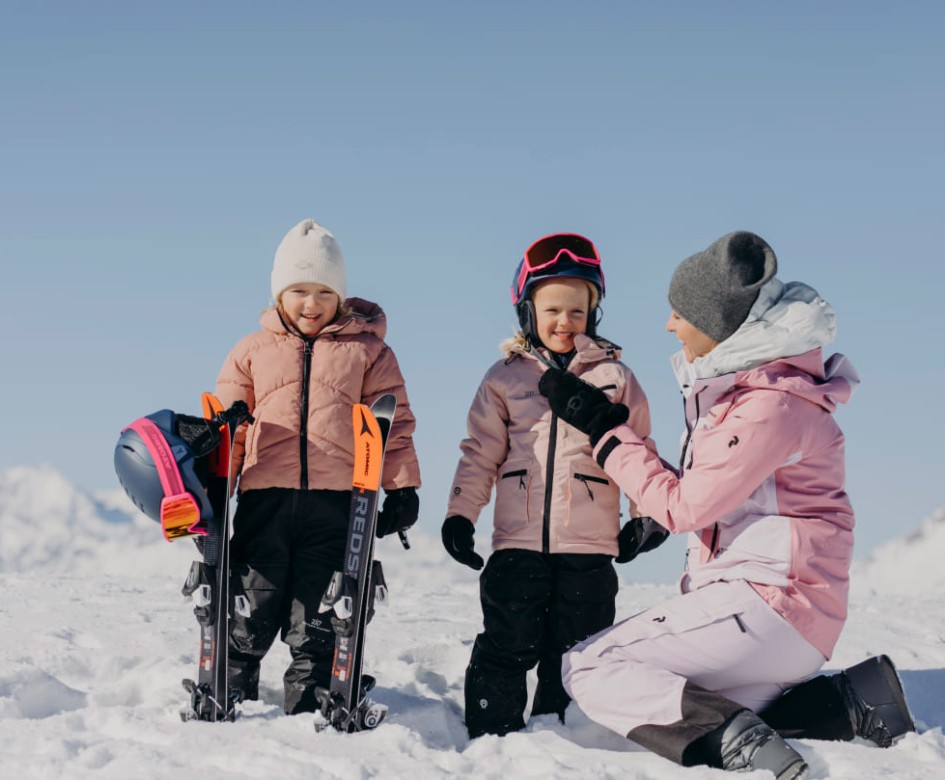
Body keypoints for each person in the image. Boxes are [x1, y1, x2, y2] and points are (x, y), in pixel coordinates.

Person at [539, 231, 915, 779]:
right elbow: (704, 495)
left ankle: (735, 741)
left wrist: (604, 429)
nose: (669, 325)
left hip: (771, 603)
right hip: (792, 614)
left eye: (679, 313)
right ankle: (850, 702)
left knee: (590, 666)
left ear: (717, 325)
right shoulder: (760, 393)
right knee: (679, 693)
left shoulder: (768, 406)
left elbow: (684, 508)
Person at [441, 232, 661, 738]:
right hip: (516, 543)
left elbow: (638, 449)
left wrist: (646, 515)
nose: (565, 323)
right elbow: (480, 453)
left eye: (578, 313)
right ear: (527, 312)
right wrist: (460, 514)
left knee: (577, 648)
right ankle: (491, 736)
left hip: (589, 544)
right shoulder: (504, 378)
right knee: (508, 638)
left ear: (594, 315)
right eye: (553, 311)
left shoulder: (615, 377)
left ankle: (566, 739)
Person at [213, 218, 422, 714]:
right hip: (265, 497)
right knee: (252, 600)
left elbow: (394, 424)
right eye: (299, 291)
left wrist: (402, 488)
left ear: (341, 297)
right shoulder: (250, 352)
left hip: (337, 504)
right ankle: (230, 693)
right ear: (278, 295)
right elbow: (226, 429)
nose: (312, 304)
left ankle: (310, 704)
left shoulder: (368, 352)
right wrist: (214, 486)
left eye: (324, 292)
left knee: (320, 609)